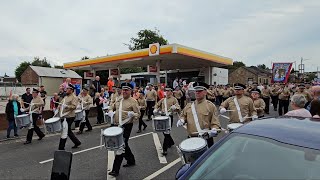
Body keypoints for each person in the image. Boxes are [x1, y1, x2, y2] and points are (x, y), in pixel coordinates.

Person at [107, 83, 140, 177]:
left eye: (127, 90)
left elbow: (138, 114)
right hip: (117, 125)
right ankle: (131, 160)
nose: (124, 91)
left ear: (131, 91)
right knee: (124, 144)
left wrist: (133, 115)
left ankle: (115, 170)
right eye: (123, 90)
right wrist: (110, 111)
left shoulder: (133, 101)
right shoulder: (119, 99)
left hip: (127, 125)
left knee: (120, 146)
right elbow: (111, 106)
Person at [177, 82, 221, 148]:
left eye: (200, 91)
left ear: (205, 92)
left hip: (206, 139)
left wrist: (214, 129)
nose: (197, 93)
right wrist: (182, 120)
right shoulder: (189, 105)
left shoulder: (210, 106)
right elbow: (183, 115)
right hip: (191, 138)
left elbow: (215, 122)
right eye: (196, 91)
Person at [58, 84, 81, 150]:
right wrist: (59, 107)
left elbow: (74, 106)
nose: (66, 90)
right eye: (66, 89)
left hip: (69, 116)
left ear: (71, 90)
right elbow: (61, 104)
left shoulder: (74, 97)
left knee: (64, 131)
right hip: (64, 116)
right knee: (68, 131)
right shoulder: (65, 97)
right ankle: (77, 142)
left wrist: (67, 106)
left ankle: (61, 147)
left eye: (68, 89)